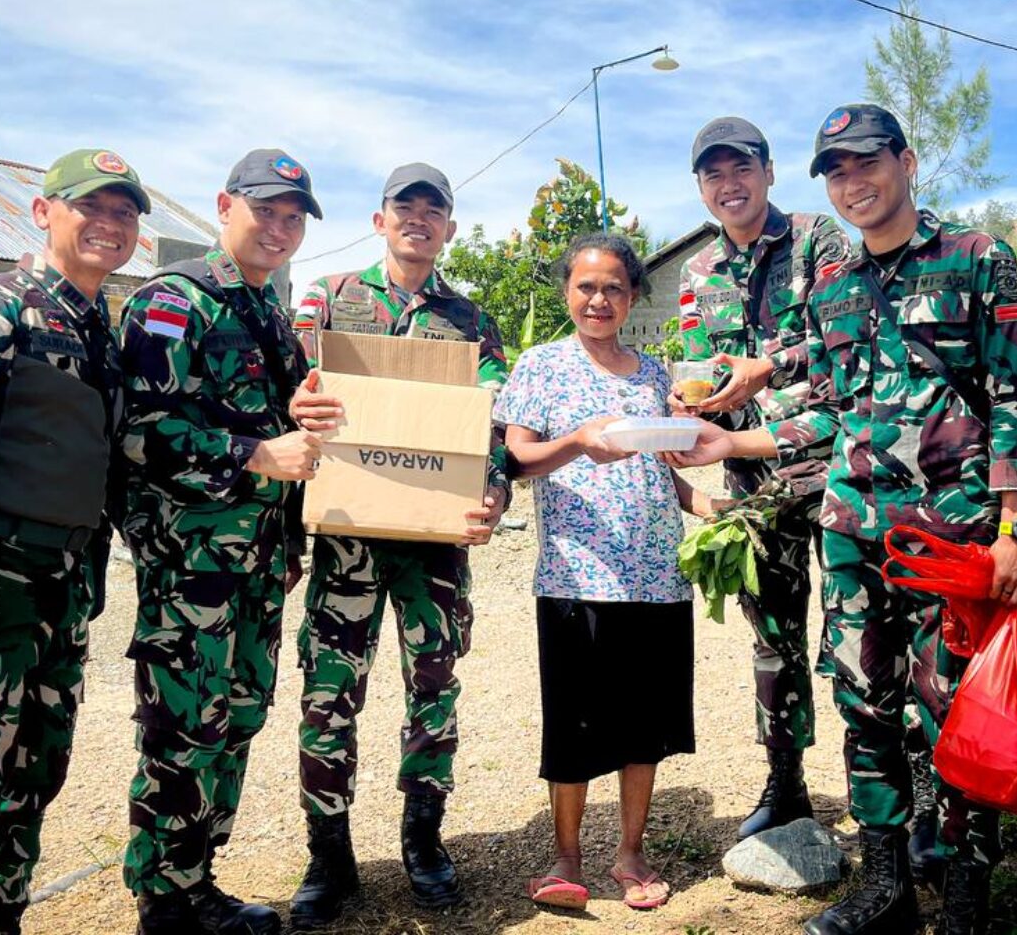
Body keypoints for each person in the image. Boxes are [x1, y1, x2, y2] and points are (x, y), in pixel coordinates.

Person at [668, 103, 1017, 935]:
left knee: (955, 715)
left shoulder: (977, 260)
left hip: (949, 536)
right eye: (835, 171)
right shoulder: (833, 287)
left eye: (865, 163)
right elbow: (831, 411)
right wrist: (722, 438)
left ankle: (968, 901)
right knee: (865, 707)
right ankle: (886, 886)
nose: (852, 183)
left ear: (906, 162)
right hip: (851, 531)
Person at [286, 163, 508, 923]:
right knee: (327, 697)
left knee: (434, 693)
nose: (418, 219)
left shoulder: (472, 322)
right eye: (403, 207)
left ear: (449, 228)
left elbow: (497, 427)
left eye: (433, 210)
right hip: (347, 540)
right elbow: (284, 392)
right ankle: (330, 852)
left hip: (434, 547)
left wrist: (495, 490)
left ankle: (424, 839)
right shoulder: (329, 300)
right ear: (379, 220)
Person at [117, 149, 324, 935]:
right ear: (225, 206)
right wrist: (254, 455)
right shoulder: (177, 301)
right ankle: (163, 904)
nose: (279, 228)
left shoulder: (270, 312)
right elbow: (140, 433)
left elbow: (289, 429)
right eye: (266, 210)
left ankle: (196, 882)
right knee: (181, 730)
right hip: (192, 566)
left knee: (234, 719)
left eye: (293, 217)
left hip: (258, 563)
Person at [0, 150, 148, 934]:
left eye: (125, 212)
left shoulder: (98, 329)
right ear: (44, 213)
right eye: (90, 207)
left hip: (59, 591)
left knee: (34, 774)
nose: (110, 224)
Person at [497, 233, 709, 914]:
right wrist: (576, 443)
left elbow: (663, 467)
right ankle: (565, 856)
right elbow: (517, 461)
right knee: (576, 722)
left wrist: (712, 504)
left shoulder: (655, 374)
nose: (598, 299)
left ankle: (631, 850)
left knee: (643, 722)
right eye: (586, 286)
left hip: (655, 574)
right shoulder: (539, 366)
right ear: (568, 292)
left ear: (632, 296)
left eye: (613, 287)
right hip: (575, 574)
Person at [677, 116, 851, 839]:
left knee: (859, 637)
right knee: (772, 639)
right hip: (754, 483)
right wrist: (684, 414)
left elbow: (846, 331)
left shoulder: (820, 239)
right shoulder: (696, 273)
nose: (730, 185)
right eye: (714, 175)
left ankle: (901, 791)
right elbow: (697, 366)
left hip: (837, 470)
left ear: (769, 172)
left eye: (741, 168)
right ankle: (786, 783)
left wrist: (769, 365)